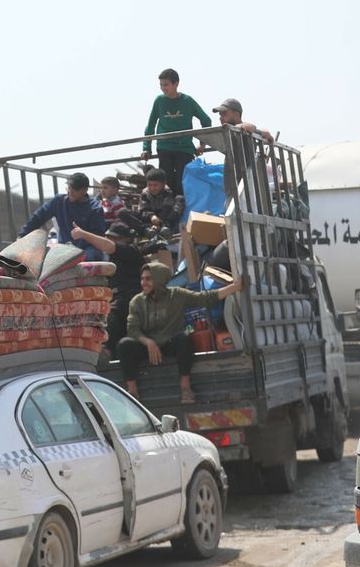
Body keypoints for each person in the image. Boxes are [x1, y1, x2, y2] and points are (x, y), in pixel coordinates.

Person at [118, 262, 244, 403]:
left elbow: (205, 298)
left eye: (148, 279)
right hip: (148, 348)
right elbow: (132, 329)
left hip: (170, 344)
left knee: (184, 339)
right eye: (142, 279)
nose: (143, 283)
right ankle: (133, 392)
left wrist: (234, 287)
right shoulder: (137, 302)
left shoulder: (176, 295)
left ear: (159, 279)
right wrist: (148, 342)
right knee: (124, 344)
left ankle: (185, 388)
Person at [70, 221, 144, 352]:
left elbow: (110, 247)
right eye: (109, 237)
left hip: (131, 298)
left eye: (114, 238)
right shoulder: (112, 261)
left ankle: (108, 352)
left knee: (110, 316)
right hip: (117, 299)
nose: (109, 240)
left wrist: (83, 234)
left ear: (126, 239)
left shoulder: (131, 251)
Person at [141, 68, 212, 197]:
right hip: (165, 147)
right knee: (166, 183)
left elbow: (206, 120)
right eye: (161, 85)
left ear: (176, 84)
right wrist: (147, 148)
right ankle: (169, 213)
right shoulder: (159, 101)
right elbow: (150, 125)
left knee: (182, 182)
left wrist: (202, 144)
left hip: (184, 148)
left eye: (166, 85)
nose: (163, 88)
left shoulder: (187, 101)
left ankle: (183, 211)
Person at [19, 172, 107, 260]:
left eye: (75, 189)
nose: (70, 192)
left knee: (91, 257)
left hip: (87, 249)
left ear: (85, 190)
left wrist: (83, 234)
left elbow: (98, 238)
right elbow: (38, 218)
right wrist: (21, 237)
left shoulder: (95, 208)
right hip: (64, 248)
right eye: (69, 187)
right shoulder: (59, 201)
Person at [121, 168, 184, 237]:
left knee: (180, 199)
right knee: (122, 212)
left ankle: (166, 227)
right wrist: (151, 217)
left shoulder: (168, 192)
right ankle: (146, 230)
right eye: (149, 185)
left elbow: (166, 209)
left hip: (164, 219)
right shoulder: (145, 193)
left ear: (164, 184)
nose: (152, 188)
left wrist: (159, 223)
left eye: (155, 185)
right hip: (149, 220)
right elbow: (144, 210)